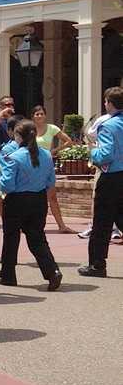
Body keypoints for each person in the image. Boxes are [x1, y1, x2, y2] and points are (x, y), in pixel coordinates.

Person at [0, 120, 62, 290]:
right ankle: (52, 271)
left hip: (16, 200)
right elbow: (50, 181)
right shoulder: (46, 155)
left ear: (19, 136)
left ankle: (8, 275)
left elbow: (8, 185)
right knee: (37, 238)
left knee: (11, 237)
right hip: (38, 199)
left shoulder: (14, 157)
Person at [79, 86, 123, 277]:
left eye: (106, 101)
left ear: (110, 104)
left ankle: (97, 264)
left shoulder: (109, 126)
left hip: (112, 176)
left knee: (102, 221)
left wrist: (91, 149)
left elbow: (104, 156)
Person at [31, 105, 74, 233]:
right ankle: (29, 225)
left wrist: (54, 151)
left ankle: (61, 225)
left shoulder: (52, 128)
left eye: (41, 113)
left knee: (52, 196)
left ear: (45, 115)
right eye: (36, 114)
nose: (39, 116)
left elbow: (68, 141)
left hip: (47, 166)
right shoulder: (29, 129)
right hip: (31, 166)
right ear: (32, 116)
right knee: (31, 196)